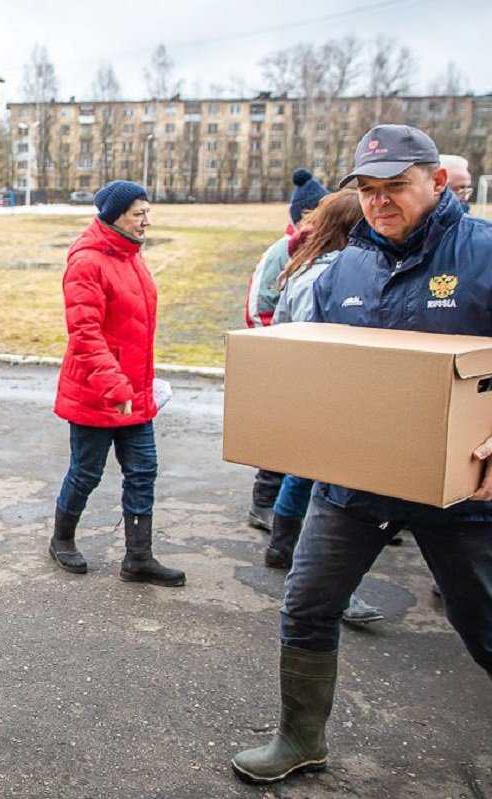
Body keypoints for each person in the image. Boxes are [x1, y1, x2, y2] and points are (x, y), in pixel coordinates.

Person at [231, 124, 492, 785]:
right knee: (307, 602)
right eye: (368, 191)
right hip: (355, 483)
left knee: (484, 628)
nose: (379, 203)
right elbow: (321, 367)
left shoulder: (485, 254)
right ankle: (300, 736)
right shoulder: (348, 264)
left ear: (436, 182)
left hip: (462, 491)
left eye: (395, 188)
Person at [49, 180, 185, 588]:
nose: (146, 221)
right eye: (137, 213)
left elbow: (132, 330)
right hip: (97, 391)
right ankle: (61, 540)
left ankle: (139, 557)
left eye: (148, 212)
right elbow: (85, 334)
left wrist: (140, 384)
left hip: (134, 392)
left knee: (143, 471)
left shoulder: (130, 257)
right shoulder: (87, 262)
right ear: (115, 216)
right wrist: (117, 387)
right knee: (86, 472)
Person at [266, 189, 383, 625]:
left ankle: (282, 545)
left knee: (307, 472)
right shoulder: (335, 273)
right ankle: (332, 587)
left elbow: (279, 331)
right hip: (331, 395)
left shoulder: (306, 265)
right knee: (329, 487)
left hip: (308, 391)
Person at [244, 168, 328, 532]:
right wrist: (274, 352)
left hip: (301, 358)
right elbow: (258, 307)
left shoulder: (318, 251)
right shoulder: (282, 253)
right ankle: (263, 503)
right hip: (280, 355)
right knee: (280, 433)